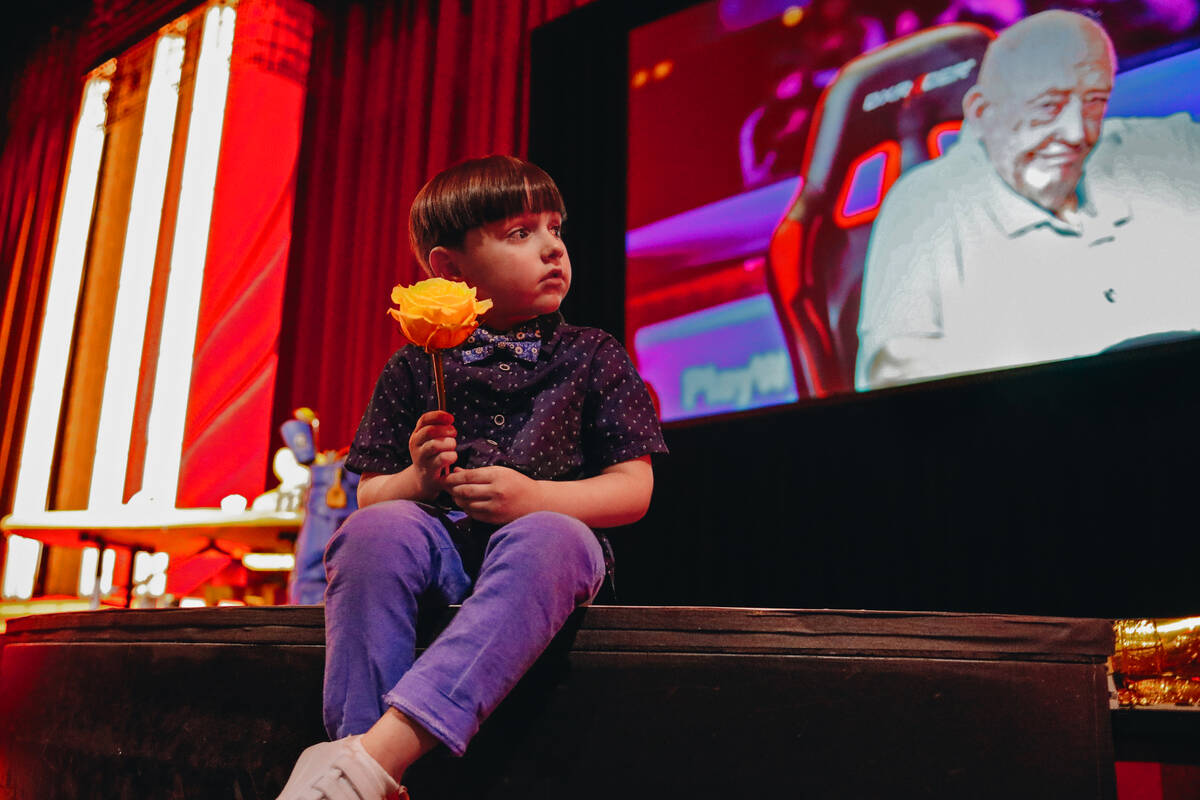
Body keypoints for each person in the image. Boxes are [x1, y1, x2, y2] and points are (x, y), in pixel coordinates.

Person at [276, 156, 668, 799]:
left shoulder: (593, 354)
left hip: (540, 557)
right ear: (449, 269)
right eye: (520, 233)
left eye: (555, 228)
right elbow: (367, 494)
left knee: (552, 535)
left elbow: (634, 487)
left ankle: (362, 765)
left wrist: (534, 498)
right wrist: (418, 480)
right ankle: (360, 755)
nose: (552, 248)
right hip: (440, 547)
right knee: (375, 533)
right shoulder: (413, 365)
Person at [856, 9, 1200, 390]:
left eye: (1095, 102)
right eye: (1048, 107)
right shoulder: (923, 208)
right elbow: (892, 380)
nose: (1077, 133)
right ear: (983, 113)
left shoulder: (1169, 147)